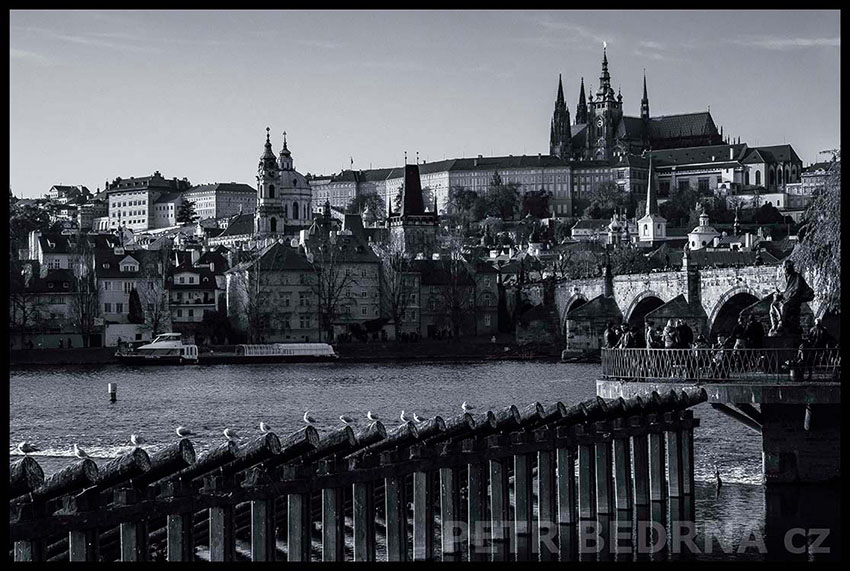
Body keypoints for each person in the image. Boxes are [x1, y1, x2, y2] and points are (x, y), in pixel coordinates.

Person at [769, 259, 815, 335]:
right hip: (784, 298)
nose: (784, 270)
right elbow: (780, 290)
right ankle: (774, 326)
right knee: (773, 305)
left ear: (789, 268)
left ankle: (781, 323)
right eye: (784, 268)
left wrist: (788, 295)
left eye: (786, 268)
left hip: (793, 299)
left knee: (784, 306)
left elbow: (796, 290)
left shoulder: (797, 277)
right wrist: (778, 295)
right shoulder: (783, 278)